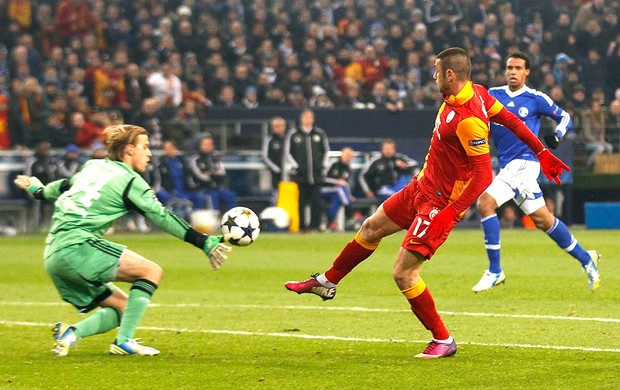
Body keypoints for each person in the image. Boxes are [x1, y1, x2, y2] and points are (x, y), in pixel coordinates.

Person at [285, 47, 569, 359]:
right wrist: (542, 151)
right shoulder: (477, 92)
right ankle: (327, 282)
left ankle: (443, 339)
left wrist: (451, 213)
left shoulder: (469, 119)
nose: (432, 77)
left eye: (435, 72)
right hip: (421, 187)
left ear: (450, 74)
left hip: (439, 203)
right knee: (370, 228)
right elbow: (512, 121)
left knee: (404, 274)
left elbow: (482, 174)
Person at [13, 124, 232, 356]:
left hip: (53, 254)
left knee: (125, 308)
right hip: (77, 247)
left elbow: (63, 187)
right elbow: (162, 216)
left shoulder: (92, 166)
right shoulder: (130, 181)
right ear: (129, 150)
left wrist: (38, 190)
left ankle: (71, 333)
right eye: (145, 147)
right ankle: (124, 341)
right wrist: (204, 242)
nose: (149, 153)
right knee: (151, 272)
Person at [473, 52, 601, 293]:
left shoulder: (535, 98)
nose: (512, 72)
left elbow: (565, 116)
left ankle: (495, 270)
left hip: (525, 163)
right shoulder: (492, 95)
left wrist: (557, 135)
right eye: (509, 67)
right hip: (508, 165)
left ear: (527, 72)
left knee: (485, 204)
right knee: (544, 220)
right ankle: (587, 259)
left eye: (518, 68)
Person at [284, 109, 330, 232]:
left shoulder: (319, 134)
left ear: (313, 119)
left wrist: (322, 166)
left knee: (316, 201)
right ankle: (302, 226)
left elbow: (326, 151)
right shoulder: (294, 135)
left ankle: (315, 226)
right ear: (301, 119)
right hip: (301, 175)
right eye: (306, 117)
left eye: (310, 118)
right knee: (302, 202)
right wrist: (296, 166)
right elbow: (288, 153)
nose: (308, 120)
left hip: (316, 174)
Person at [187, 135, 238, 213]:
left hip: (217, 188)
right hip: (201, 189)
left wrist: (211, 174)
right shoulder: (194, 160)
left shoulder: (216, 159)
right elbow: (200, 177)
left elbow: (222, 173)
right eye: (205, 144)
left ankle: (233, 218)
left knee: (230, 195)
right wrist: (214, 174)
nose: (208, 147)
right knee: (212, 196)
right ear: (199, 146)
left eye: (210, 144)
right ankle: (214, 222)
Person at [359, 139, 418, 203]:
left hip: (398, 186)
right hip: (382, 188)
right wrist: (368, 191)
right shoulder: (375, 160)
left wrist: (404, 165)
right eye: (386, 149)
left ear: (394, 150)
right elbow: (363, 175)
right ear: (382, 149)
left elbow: (415, 164)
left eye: (390, 149)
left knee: (409, 193)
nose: (388, 151)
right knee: (396, 197)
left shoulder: (399, 157)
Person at [321, 147, 355, 231]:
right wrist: (336, 181)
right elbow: (321, 178)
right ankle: (350, 215)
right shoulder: (332, 163)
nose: (348, 158)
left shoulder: (348, 168)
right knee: (339, 189)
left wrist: (349, 195)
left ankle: (329, 223)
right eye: (347, 155)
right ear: (341, 154)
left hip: (336, 193)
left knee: (337, 201)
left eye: (350, 156)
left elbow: (346, 184)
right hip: (323, 189)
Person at [262, 116, 287, 204]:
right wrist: (276, 169)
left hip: (290, 175)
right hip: (276, 176)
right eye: (276, 126)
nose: (278, 128)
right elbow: (265, 157)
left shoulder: (288, 139)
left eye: (280, 126)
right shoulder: (270, 139)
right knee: (276, 197)